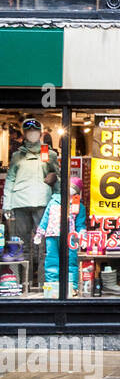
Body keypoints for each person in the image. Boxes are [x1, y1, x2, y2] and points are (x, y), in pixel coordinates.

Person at [3, 118, 59, 293]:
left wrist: (58, 201)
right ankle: (23, 284)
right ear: (25, 134)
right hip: (20, 202)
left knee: (43, 245)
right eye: (29, 131)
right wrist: (7, 204)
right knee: (22, 244)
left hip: (42, 201)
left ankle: (44, 284)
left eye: (35, 131)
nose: (32, 134)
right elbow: (10, 179)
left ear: (40, 133)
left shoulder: (48, 154)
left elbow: (57, 176)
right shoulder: (17, 155)